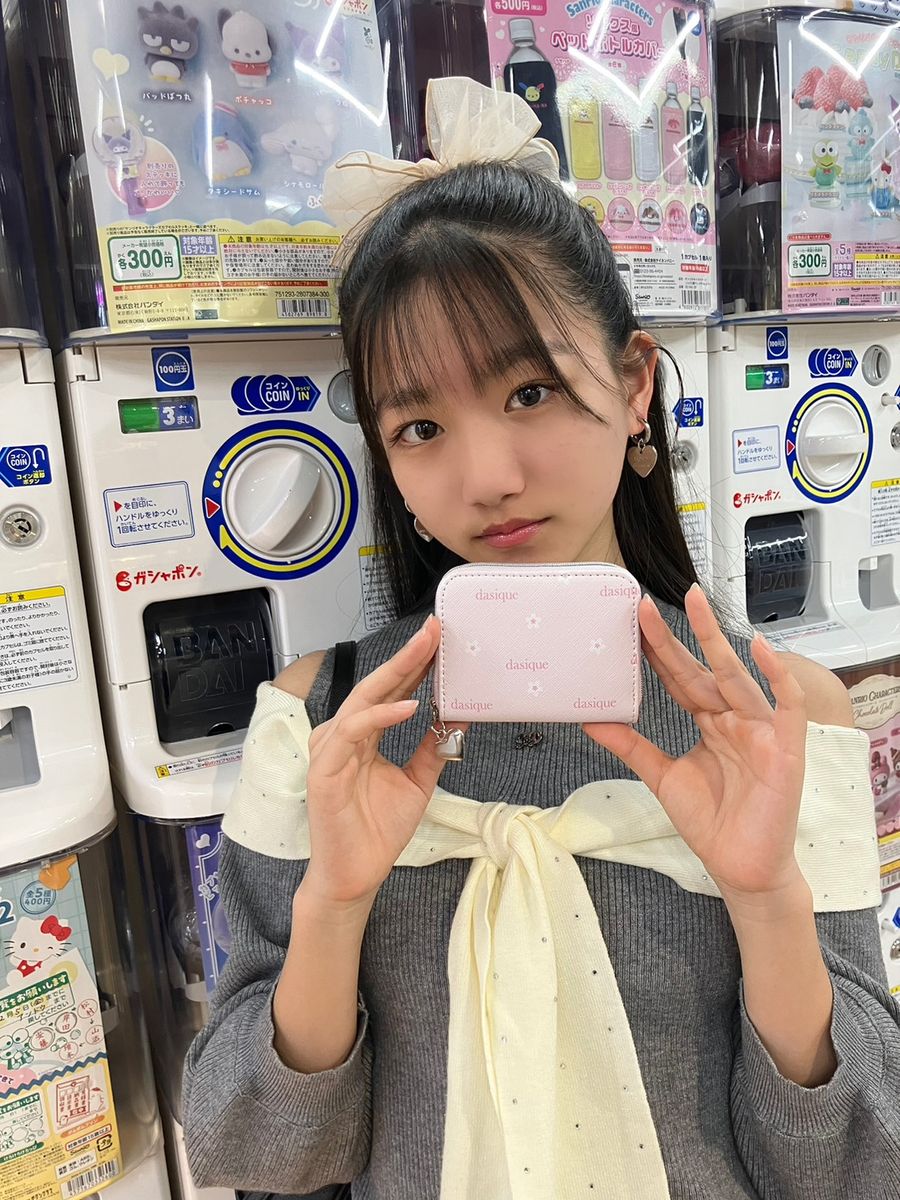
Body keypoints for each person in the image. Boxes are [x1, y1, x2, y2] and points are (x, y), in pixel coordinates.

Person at [182, 79, 900, 1199]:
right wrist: (334, 906)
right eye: (420, 425)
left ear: (633, 384)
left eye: (529, 392)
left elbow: (858, 1165)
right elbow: (254, 1151)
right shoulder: (322, 717)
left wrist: (766, 901)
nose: (486, 477)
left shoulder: (783, 714)